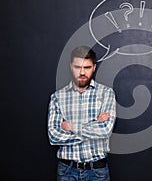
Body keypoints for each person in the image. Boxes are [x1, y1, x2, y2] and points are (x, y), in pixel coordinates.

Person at [48, 46, 116, 181]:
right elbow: (53, 136)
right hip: (67, 171)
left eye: (87, 67)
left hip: (97, 172)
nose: (82, 72)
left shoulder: (107, 93)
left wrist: (72, 128)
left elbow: (105, 130)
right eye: (78, 67)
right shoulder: (57, 97)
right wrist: (93, 126)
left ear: (94, 68)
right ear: (71, 67)